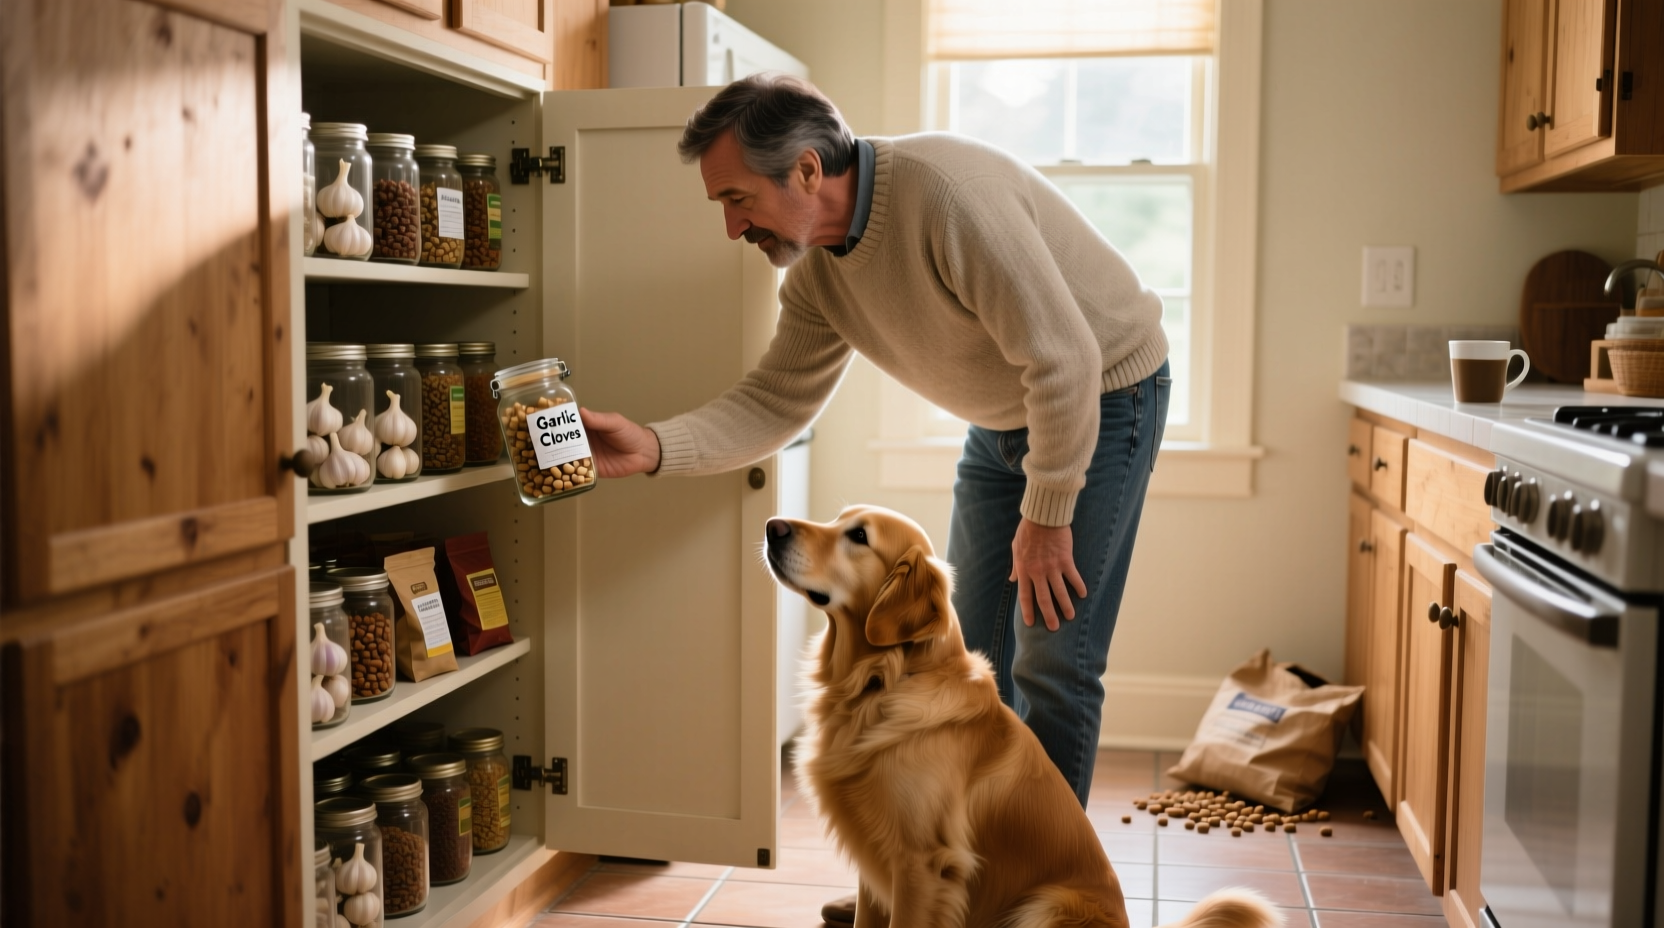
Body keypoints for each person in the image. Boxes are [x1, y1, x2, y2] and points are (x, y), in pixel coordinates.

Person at [579, 73, 1169, 926]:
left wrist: (1050, 514)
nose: (731, 224)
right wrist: (655, 446)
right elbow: (771, 401)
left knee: (1053, 659)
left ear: (809, 172)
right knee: (967, 654)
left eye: (739, 198)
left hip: (1104, 395)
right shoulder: (820, 279)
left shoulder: (947, 198)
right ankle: (935, 876)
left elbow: (1067, 361)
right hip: (1004, 415)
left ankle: (1042, 895)